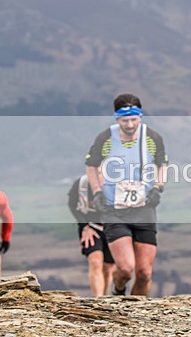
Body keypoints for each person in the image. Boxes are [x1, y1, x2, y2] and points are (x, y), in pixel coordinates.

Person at [85, 94, 167, 297]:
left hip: (144, 210)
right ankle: (118, 290)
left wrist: (158, 187)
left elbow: (162, 165)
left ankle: (137, 314)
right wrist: (97, 192)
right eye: (125, 120)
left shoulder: (152, 138)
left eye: (134, 119)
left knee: (144, 273)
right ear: (116, 119)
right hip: (114, 210)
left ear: (140, 117)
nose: (130, 124)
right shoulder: (105, 138)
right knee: (126, 269)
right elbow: (91, 165)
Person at [68, 175, 116, 297]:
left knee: (108, 267)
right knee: (95, 261)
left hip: (113, 227)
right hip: (90, 227)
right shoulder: (82, 183)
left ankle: (105, 297)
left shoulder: (118, 183)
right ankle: (98, 298)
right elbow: (72, 204)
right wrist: (84, 226)